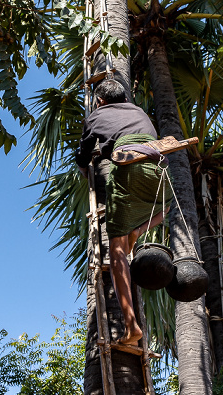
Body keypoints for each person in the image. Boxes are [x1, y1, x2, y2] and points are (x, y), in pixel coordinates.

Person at [75, 79, 171, 346]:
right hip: (158, 165)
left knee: (116, 250)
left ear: (99, 101)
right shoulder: (138, 111)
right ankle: (137, 230)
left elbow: (83, 155)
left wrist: (86, 170)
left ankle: (131, 326)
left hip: (128, 166)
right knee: (165, 206)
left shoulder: (96, 115)